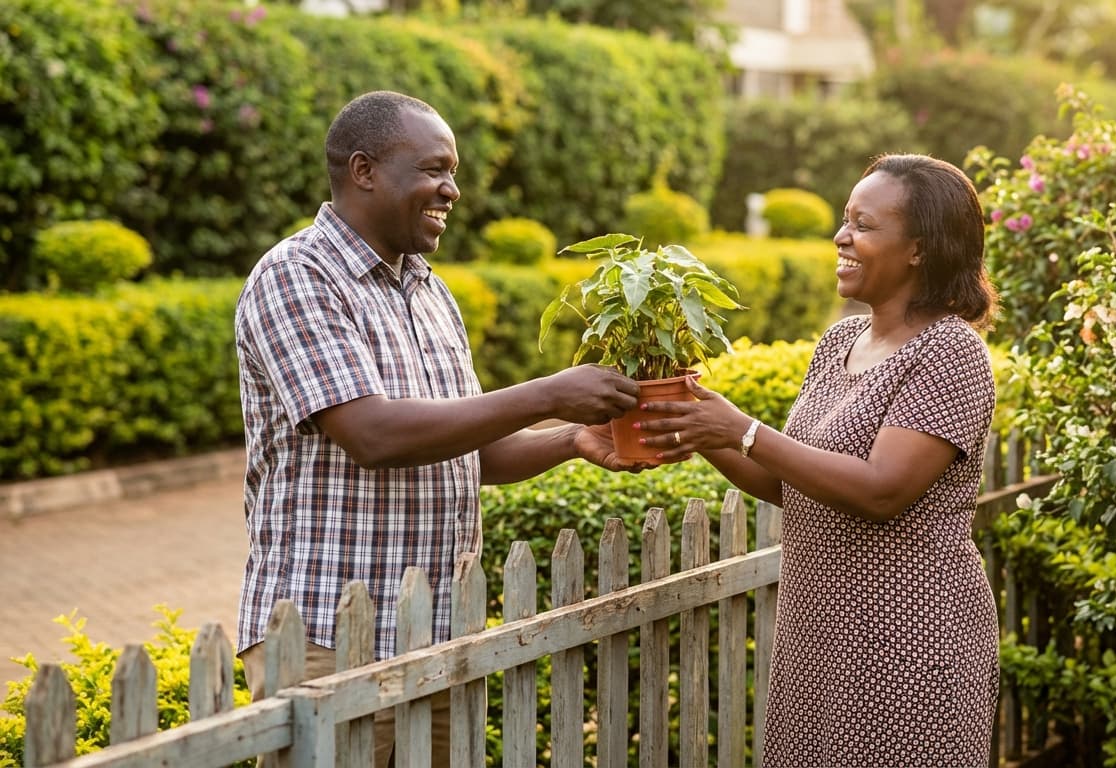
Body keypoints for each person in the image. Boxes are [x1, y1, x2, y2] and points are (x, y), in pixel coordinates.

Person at [233, 90, 642, 767]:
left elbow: (468, 450)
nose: (451, 190)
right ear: (363, 171)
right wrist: (549, 393)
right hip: (329, 636)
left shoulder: (429, 291)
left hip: (438, 631)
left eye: (452, 173)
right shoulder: (296, 275)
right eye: (434, 169)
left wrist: (571, 440)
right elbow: (374, 434)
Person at [639, 153, 1000, 766]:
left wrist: (743, 428)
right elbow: (789, 483)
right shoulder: (839, 342)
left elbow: (883, 490)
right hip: (818, 636)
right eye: (843, 219)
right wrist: (702, 427)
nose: (841, 237)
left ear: (919, 248)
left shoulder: (950, 351)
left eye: (863, 224)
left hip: (909, 642)